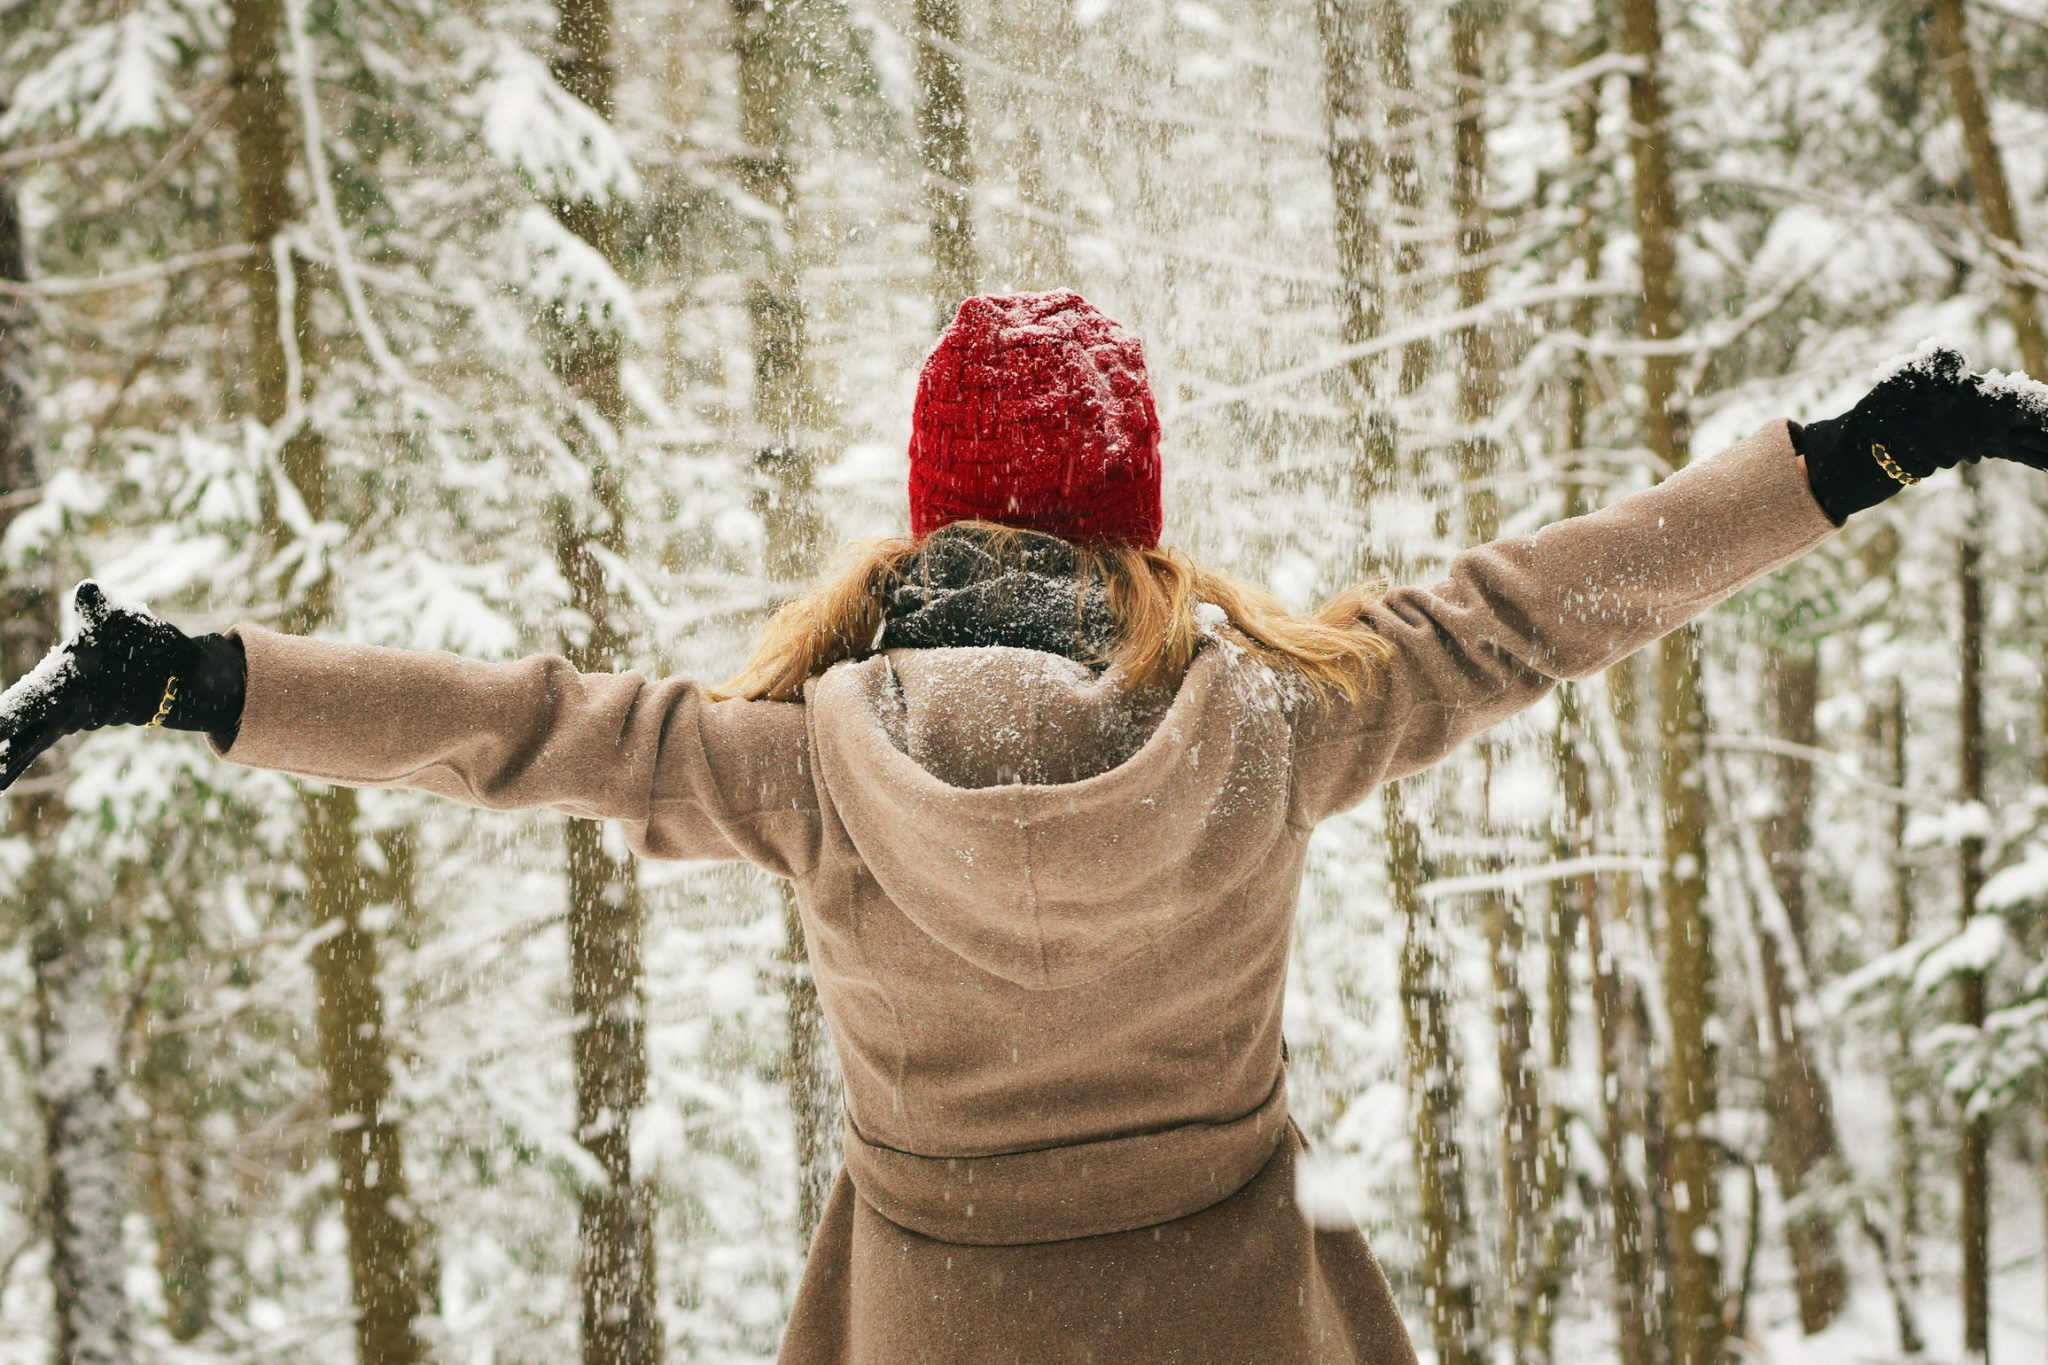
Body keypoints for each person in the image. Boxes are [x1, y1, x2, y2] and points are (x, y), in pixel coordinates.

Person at [3, 292, 2046, 1364]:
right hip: (1243, 1323)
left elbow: (517, 734)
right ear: (1133, 510)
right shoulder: (1277, 723)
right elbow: (1540, 608)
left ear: (929, 514)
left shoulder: (804, 765)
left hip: (933, 1328)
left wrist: (193, 680)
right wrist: (1859, 454)